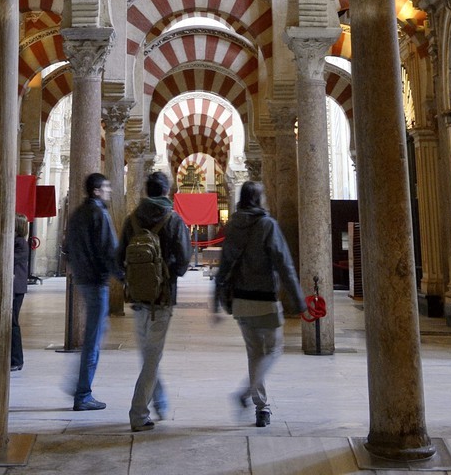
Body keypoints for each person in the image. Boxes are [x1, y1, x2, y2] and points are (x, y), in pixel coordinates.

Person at [215, 180, 308, 428]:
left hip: (241, 301)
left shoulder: (233, 224)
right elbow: (284, 264)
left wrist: (216, 300)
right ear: (259, 199)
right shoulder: (268, 224)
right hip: (265, 300)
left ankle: (262, 407)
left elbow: (224, 264)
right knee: (274, 350)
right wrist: (298, 300)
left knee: (255, 353)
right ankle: (247, 392)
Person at [118, 169, 192, 432]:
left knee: (149, 353)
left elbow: (118, 260)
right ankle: (138, 412)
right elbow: (183, 263)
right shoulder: (173, 220)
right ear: (165, 191)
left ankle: (159, 398)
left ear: (145, 191)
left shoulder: (131, 220)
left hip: (137, 298)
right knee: (152, 356)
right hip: (162, 299)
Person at [63, 172, 119, 410]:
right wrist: (124, 277)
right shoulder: (99, 213)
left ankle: (78, 384)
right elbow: (110, 251)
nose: (109, 191)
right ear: (96, 191)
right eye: (106, 187)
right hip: (96, 282)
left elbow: (67, 248)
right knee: (93, 339)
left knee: (96, 333)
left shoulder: (76, 215)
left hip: (83, 280)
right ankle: (82, 393)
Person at [11, 214, 30, 371]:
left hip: (16, 288)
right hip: (14, 287)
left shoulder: (21, 243)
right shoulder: (16, 242)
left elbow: (10, 259)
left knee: (13, 323)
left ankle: (17, 359)